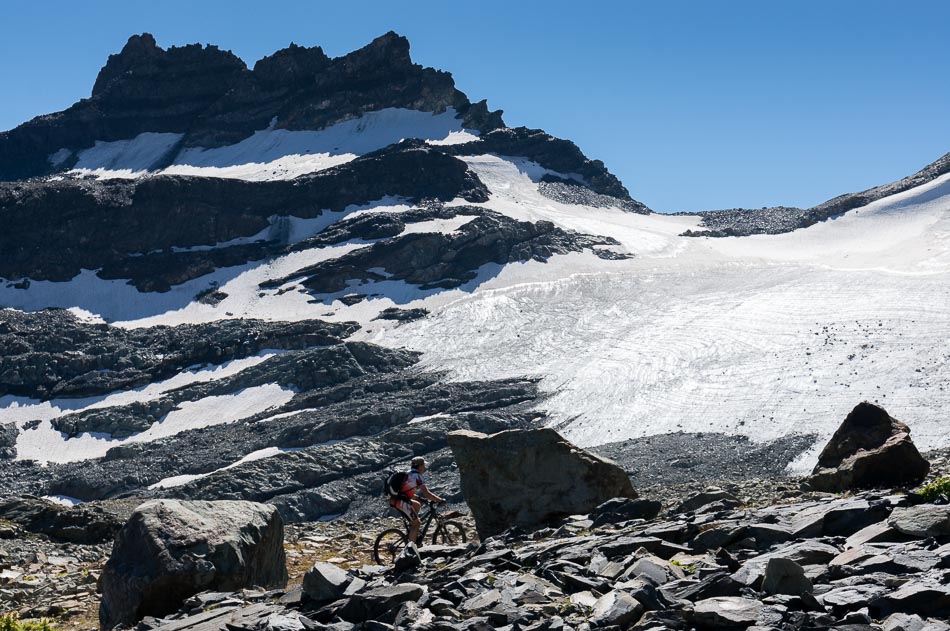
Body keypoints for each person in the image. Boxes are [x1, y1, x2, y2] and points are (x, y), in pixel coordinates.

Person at [390, 456, 445, 544]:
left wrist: (418, 498)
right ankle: (410, 550)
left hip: (395, 499)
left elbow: (405, 492)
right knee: (417, 524)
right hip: (401, 502)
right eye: (424, 465)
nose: (425, 467)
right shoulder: (418, 476)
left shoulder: (407, 474)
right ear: (420, 466)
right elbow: (427, 494)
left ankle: (412, 529)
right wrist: (439, 500)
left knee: (417, 504)